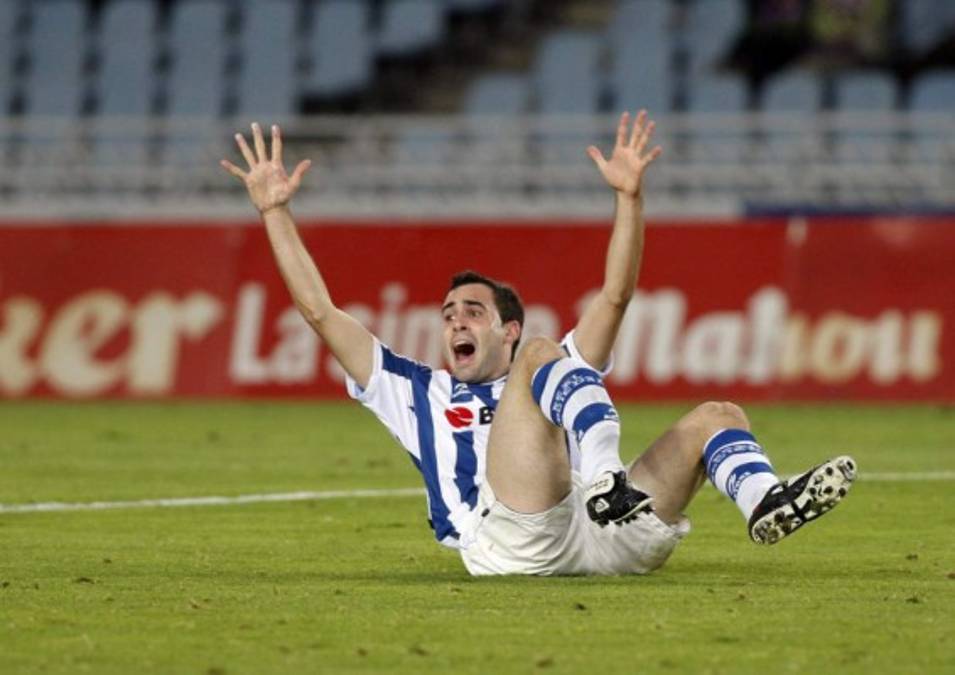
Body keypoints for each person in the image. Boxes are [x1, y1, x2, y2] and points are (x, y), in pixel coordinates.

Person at [221, 113, 856, 576]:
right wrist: (274, 212)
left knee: (718, 416)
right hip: (511, 542)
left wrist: (629, 199)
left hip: (604, 535)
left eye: (473, 312)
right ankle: (607, 476)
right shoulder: (413, 389)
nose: (456, 323)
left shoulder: (546, 364)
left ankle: (762, 500)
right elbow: (320, 311)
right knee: (546, 363)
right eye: (448, 314)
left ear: (508, 328)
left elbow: (616, 295)